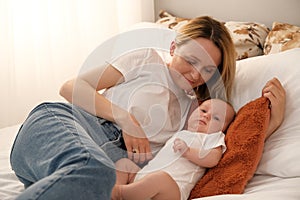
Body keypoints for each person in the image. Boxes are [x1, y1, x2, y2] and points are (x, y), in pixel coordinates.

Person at [9, 15, 285, 200]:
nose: (195, 74)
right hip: (65, 125)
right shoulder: (144, 58)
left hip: (84, 168)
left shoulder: (197, 114)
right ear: (174, 48)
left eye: (208, 70)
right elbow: (70, 87)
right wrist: (126, 118)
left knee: (96, 179)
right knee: (95, 172)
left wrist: (270, 126)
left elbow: (227, 152)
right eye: (191, 60)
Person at [111, 98, 235, 200]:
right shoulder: (181, 133)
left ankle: (120, 194)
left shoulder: (213, 137)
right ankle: (119, 188)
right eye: (203, 110)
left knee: (160, 178)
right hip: (144, 178)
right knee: (125, 164)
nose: (206, 116)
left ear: (224, 129)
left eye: (216, 118)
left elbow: (214, 158)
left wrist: (188, 152)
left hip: (172, 189)